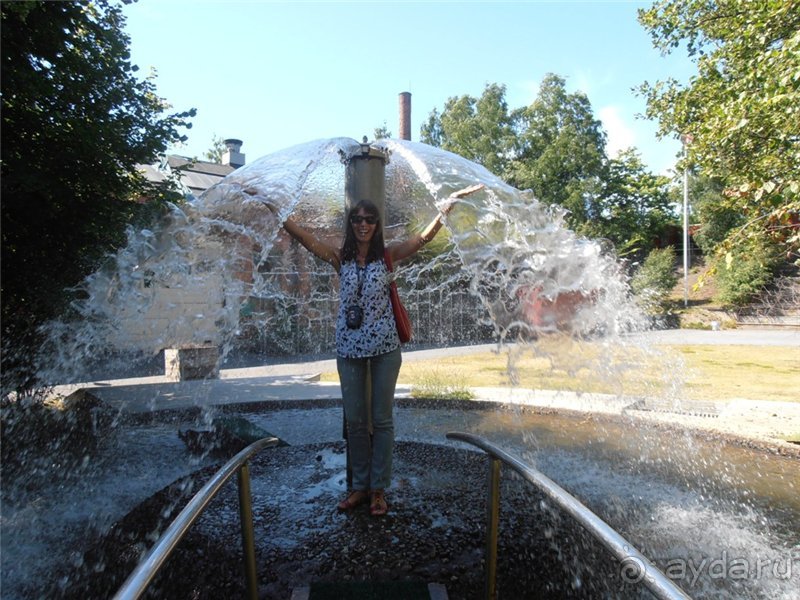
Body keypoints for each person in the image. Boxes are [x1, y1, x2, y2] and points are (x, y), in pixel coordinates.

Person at [250, 183, 483, 516]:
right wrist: (275, 208)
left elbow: (421, 240)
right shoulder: (338, 256)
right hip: (349, 349)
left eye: (369, 219)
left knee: (382, 421)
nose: (363, 224)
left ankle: (378, 489)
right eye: (357, 218)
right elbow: (303, 237)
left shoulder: (387, 255)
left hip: (385, 347)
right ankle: (359, 486)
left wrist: (447, 208)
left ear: (376, 224)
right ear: (351, 223)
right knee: (357, 422)